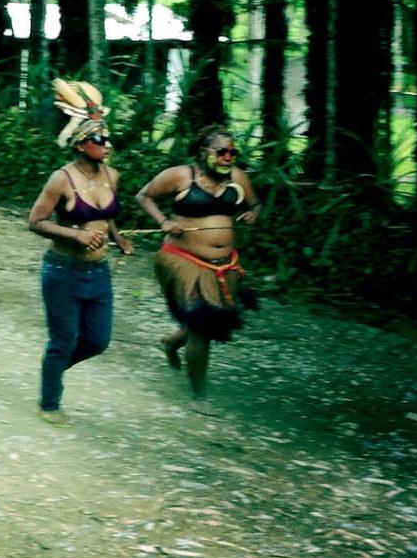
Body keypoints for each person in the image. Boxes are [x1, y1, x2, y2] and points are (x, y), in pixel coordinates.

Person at [25, 83, 133, 424]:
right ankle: (49, 403)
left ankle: (53, 369)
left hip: (98, 272)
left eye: (108, 139)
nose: (107, 145)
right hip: (63, 270)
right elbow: (35, 222)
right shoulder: (61, 179)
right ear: (80, 143)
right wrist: (76, 234)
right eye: (100, 139)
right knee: (63, 340)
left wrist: (118, 237)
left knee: (98, 340)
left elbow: (106, 215)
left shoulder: (112, 175)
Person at [133, 126, 262, 408]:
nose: (228, 157)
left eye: (233, 152)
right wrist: (164, 222)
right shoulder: (181, 176)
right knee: (201, 326)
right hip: (184, 260)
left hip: (224, 264)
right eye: (222, 152)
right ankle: (199, 395)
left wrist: (252, 214)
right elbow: (143, 196)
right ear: (204, 152)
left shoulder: (237, 177)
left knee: (210, 320)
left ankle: (172, 342)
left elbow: (255, 204)